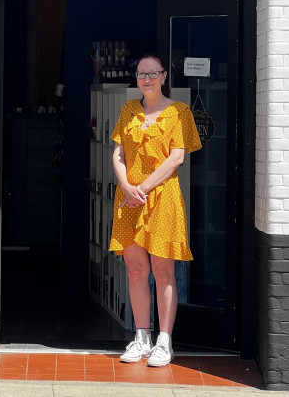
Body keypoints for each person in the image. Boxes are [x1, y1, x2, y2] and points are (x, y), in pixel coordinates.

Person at [109, 53, 202, 367]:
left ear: (164, 76)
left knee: (163, 271)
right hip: (129, 200)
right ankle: (141, 336)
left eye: (152, 73)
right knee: (135, 270)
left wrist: (142, 189)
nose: (146, 79)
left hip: (161, 199)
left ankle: (165, 341)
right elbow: (118, 152)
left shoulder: (179, 112)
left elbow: (176, 158)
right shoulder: (128, 110)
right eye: (141, 74)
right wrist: (125, 186)